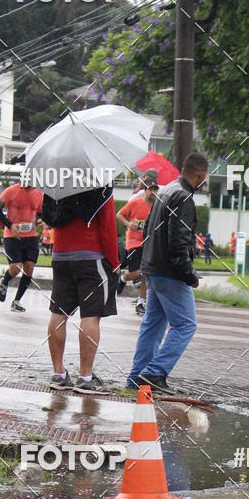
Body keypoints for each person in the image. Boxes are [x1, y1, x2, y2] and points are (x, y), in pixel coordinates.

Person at [126, 152, 208, 393]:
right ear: (201, 175)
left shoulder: (166, 191)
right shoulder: (184, 198)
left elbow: (151, 233)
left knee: (152, 325)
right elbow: (178, 243)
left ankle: (135, 378)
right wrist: (189, 273)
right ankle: (154, 372)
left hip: (152, 267)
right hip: (170, 272)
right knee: (185, 325)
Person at [47, 185, 119, 392]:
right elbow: (107, 228)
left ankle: (58, 374)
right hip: (90, 255)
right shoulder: (100, 183)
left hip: (60, 254)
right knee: (91, 315)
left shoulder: (56, 181)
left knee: (58, 313)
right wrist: (114, 262)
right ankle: (86, 378)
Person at [0, 181, 43, 312]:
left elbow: (44, 212)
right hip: (12, 235)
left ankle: (16, 301)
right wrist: (10, 225)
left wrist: (44, 220)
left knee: (29, 269)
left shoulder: (39, 194)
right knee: (16, 268)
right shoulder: (10, 191)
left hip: (31, 236)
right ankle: (4, 281)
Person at [117, 178, 159, 315]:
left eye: (155, 190)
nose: (153, 192)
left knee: (145, 274)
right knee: (137, 273)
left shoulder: (157, 207)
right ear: (145, 191)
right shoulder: (135, 202)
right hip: (134, 243)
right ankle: (123, 278)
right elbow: (119, 215)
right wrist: (129, 225)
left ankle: (140, 303)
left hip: (149, 244)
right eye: (150, 189)